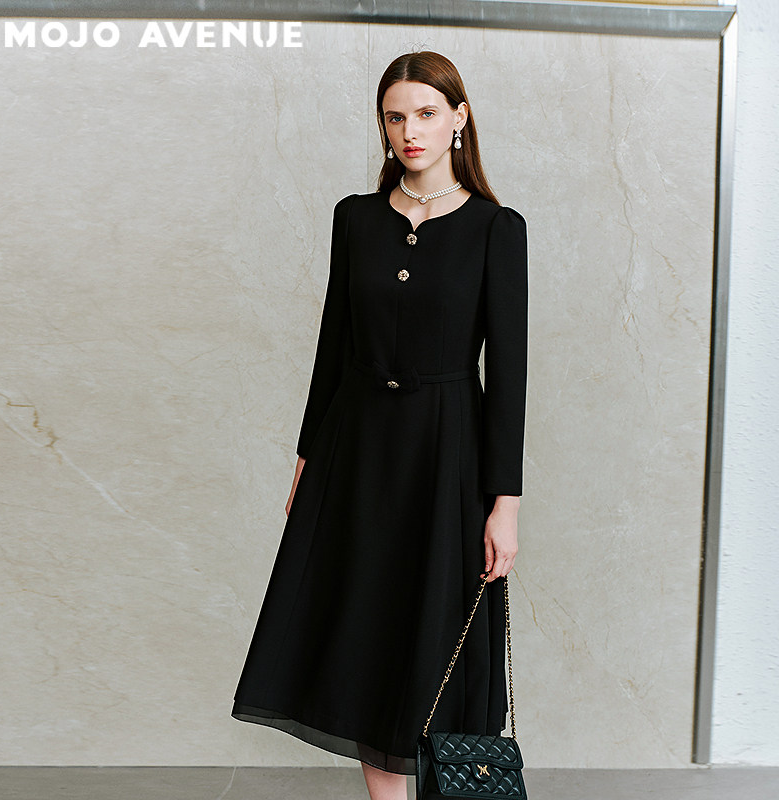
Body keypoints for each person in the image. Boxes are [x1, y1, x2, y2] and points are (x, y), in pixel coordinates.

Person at [232, 50, 527, 800]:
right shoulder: (356, 219)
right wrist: (308, 459)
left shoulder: (496, 228)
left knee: (431, 639)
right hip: (355, 452)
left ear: (459, 118)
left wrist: (505, 503)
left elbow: (508, 375)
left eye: (426, 113)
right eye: (396, 117)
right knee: (362, 632)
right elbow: (333, 345)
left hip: (447, 457)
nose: (410, 131)